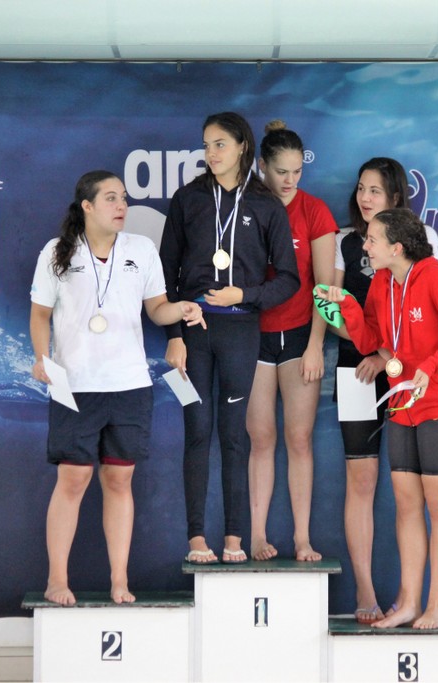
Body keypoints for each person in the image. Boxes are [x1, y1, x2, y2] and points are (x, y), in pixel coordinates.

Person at [30, 170, 206, 606]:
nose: (121, 205)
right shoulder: (57, 252)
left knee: (119, 479)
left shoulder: (141, 250)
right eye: (110, 198)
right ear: (87, 206)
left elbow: (158, 310)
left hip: (129, 384)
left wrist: (182, 310)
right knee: (73, 478)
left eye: (123, 197)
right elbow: (40, 314)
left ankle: (120, 581)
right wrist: (41, 357)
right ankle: (57, 580)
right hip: (76, 384)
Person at [318, 208, 438, 630]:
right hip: (401, 404)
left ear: (397, 247)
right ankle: (409, 602)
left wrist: (431, 365)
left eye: (372, 240)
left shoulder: (436, 279)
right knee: (407, 504)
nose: (365, 246)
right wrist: (347, 306)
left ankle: (436, 607)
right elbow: (372, 340)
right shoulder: (381, 283)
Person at [160, 112, 300, 565]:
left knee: (235, 436)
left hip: (241, 330)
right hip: (194, 331)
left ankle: (235, 538)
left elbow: (290, 279)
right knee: (197, 430)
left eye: (220, 144)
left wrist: (247, 295)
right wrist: (174, 333)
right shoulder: (187, 199)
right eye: (206, 145)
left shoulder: (266, 205)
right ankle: (197, 538)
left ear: (242, 146)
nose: (211, 153)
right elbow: (165, 274)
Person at [331, 157, 438, 623]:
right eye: (361, 188)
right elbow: (333, 310)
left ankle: (410, 599)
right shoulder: (344, 240)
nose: (365, 197)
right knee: (360, 480)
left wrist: (384, 356)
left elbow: (428, 312)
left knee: (408, 490)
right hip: (355, 369)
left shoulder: (424, 239)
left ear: (396, 197)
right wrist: (368, 350)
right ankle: (365, 591)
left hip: (406, 376)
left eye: (375, 190)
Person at [247, 121, 338, 563]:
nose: (289, 180)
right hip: (252, 336)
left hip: (301, 334)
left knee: (299, 438)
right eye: (281, 171)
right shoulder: (245, 207)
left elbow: (325, 286)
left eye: (297, 172)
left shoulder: (315, 211)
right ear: (261, 166)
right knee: (261, 437)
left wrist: (316, 344)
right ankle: (256, 535)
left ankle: (302, 538)